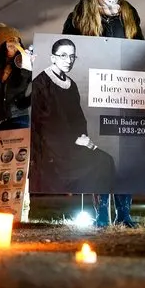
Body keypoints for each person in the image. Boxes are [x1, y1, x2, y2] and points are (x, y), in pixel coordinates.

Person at [61, 0, 144, 228]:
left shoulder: (129, 16)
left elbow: (142, 50)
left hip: (124, 93)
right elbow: (68, 49)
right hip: (93, 94)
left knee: (125, 156)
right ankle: (101, 213)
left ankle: (125, 213)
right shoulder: (78, 16)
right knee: (100, 154)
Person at [30, 38, 117, 195]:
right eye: (63, 55)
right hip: (53, 147)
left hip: (73, 144)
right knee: (101, 162)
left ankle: (101, 210)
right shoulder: (40, 83)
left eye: (72, 56)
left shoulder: (72, 84)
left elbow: (78, 118)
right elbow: (42, 123)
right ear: (53, 58)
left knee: (106, 160)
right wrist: (72, 139)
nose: (68, 60)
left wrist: (83, 138)